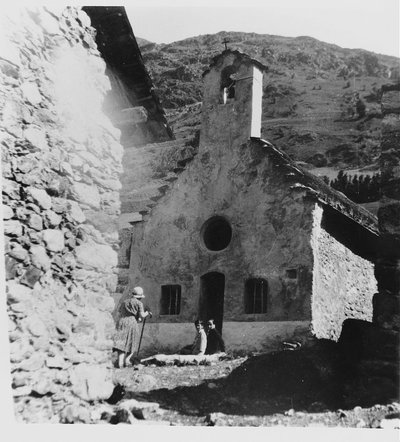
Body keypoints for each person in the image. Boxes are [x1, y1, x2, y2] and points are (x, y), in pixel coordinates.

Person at [113, 286, 152, 368]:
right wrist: (147, 313)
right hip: (131, 322)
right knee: (132, 341)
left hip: (122, 321)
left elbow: (120, 312)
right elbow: (142, 315)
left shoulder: (124, 302)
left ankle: (120, 363)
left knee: (121, 343)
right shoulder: (139, 303)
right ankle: (127, 360)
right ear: (139, 297)